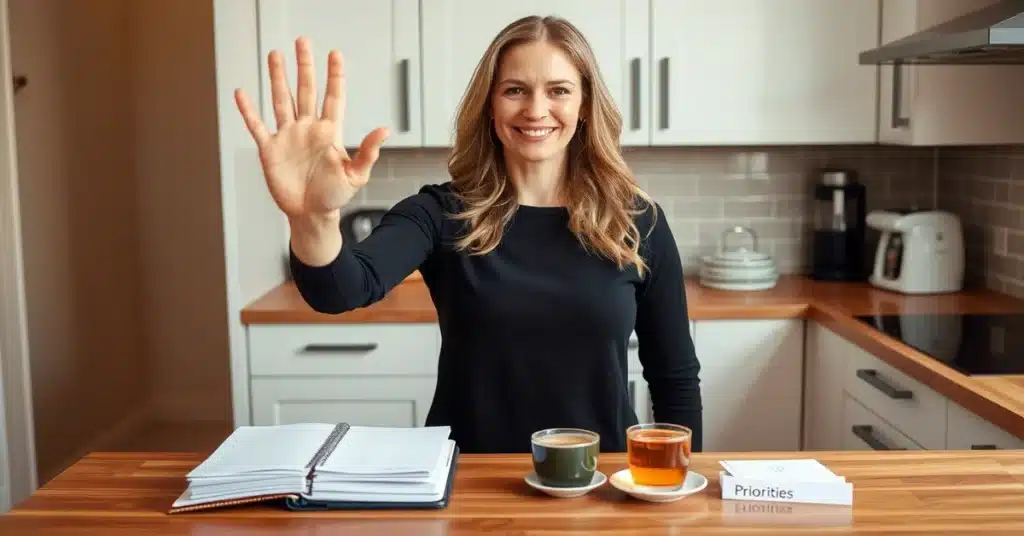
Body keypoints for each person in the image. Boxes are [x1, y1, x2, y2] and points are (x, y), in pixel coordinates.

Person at [233, 15, 703, 454]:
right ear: (490, 105)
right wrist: (312, 216)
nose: (536, 109)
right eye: (515, 89)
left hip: (596, 480)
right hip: (467, 481)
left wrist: (685, 487)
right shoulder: (440, 213)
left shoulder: (637, 223)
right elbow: (340, 290)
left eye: (558, 90)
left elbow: (675, 378)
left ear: (583, 106)